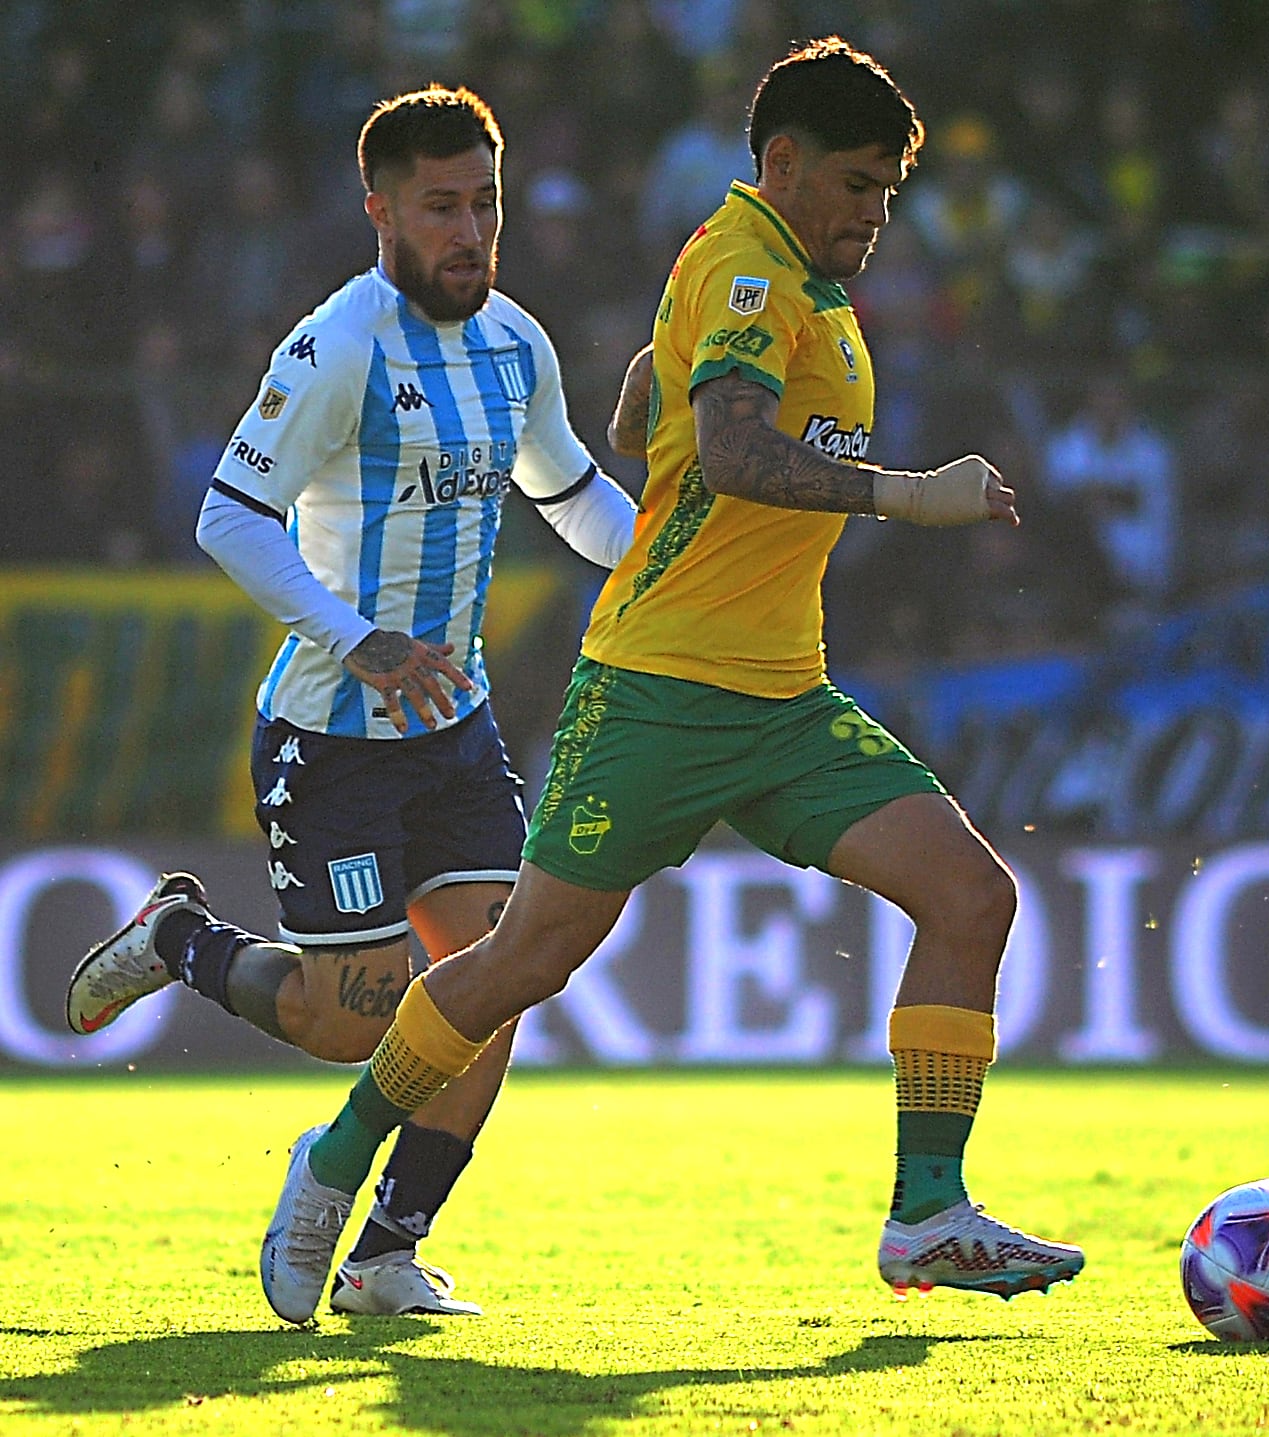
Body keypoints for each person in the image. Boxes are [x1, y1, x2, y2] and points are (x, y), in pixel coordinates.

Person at [256, 37, 1085, 1326]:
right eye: (858, 185)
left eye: (888, 193)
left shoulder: (792, 277)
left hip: (784, 698)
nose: (876, 213)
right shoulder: (754, 263)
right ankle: (334, 1167)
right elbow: (747, 451)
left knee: (972, 896)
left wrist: (661, 395)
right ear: (784, 163)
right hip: (653, 692)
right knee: (518, 962)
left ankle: (927, 1214)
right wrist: (908, 497)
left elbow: (675, 418)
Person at [65, 87, 639, 1319]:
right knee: (348, 1024)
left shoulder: (515, 346)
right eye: (442, 207)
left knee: (496, 985)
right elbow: (229, 514)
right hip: (330, 734)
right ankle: (180, 940)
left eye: (485, 201)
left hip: (456, 727)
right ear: (379, 209)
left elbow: (575, 495)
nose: (471, 231)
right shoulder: (337, 346)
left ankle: (388, 1249)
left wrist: (669, 557)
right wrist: (355, 635)